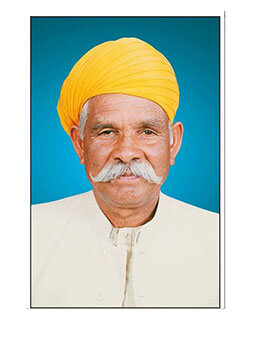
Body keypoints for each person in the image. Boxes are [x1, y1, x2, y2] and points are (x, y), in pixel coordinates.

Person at [32, 37, 219, 308]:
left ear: (173, 142)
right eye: (107, 132)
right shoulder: (23, 235)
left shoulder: (227, 242)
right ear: (80, 143)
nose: (127, 152)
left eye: (147, 132)